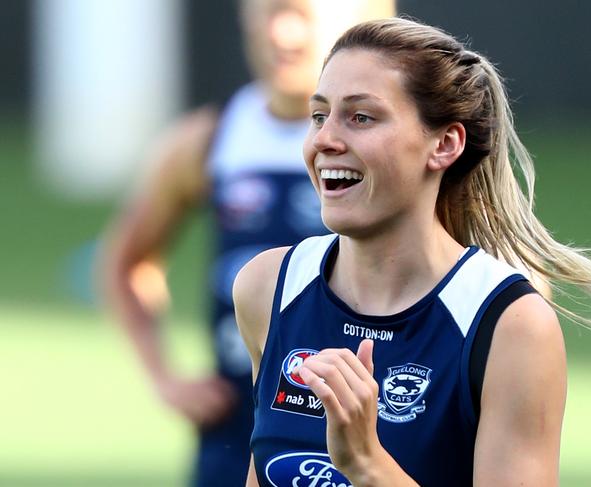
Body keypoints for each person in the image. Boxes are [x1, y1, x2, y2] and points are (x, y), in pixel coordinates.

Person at [233, 17, 591, 487]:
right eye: (319, 115)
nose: (325, 139)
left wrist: (367, 463)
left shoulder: (509, 325)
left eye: (361, 117)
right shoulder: (268, 287)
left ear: (445, 144)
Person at [100, 1, 396, 485]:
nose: (283, 34)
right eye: (268, 12)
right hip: (238, 431)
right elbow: (126, 261)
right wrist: (166, 379)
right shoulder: (212, 139)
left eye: (300, 12)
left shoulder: (395, 142)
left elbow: (494, 272)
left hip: (376, 429)